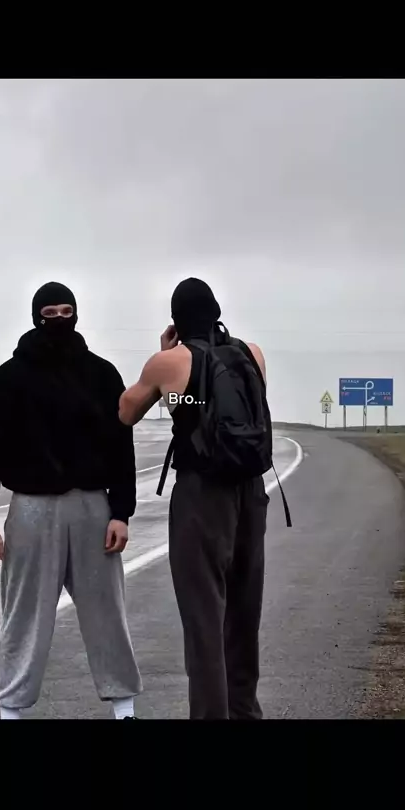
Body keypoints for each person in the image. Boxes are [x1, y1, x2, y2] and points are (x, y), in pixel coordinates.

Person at [0, 281, 142, 719]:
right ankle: (11, 712)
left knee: (107, 613)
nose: (59, 320)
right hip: (31, 509)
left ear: (77, 313)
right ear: (36, 317)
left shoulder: (101, 374)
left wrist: (121, 512)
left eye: (67, 311)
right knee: (24, 616)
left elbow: (121, 448)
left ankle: (125, 710)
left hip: (93, 507)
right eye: (50, 314)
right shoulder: (9, 377)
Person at [119, 277, 271, 719]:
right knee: (243, 615)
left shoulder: (169, 361)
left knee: (205, 621)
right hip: (251, 491)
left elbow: (126, 412)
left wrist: (165, 358)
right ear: (216, 313)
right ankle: (245, 712)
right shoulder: (252, 354)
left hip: (202, 496)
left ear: (176, 321)